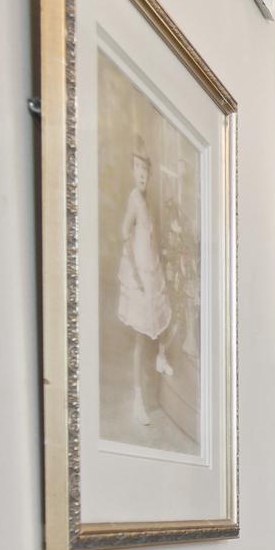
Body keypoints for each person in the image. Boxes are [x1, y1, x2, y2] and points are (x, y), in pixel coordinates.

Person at [113, 147, 174, 427]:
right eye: (137, 168)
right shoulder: (134, 199)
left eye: (145, 170)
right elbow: (125, 232)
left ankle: (161, 357)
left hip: (151, 271)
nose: (142, 174)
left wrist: (156, 261)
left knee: (163, 317)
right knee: (140, 339)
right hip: (139, 276)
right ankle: (138, 401)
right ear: (131, 171)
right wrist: (136, 274)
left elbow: (147, 237)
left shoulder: (145, 201)